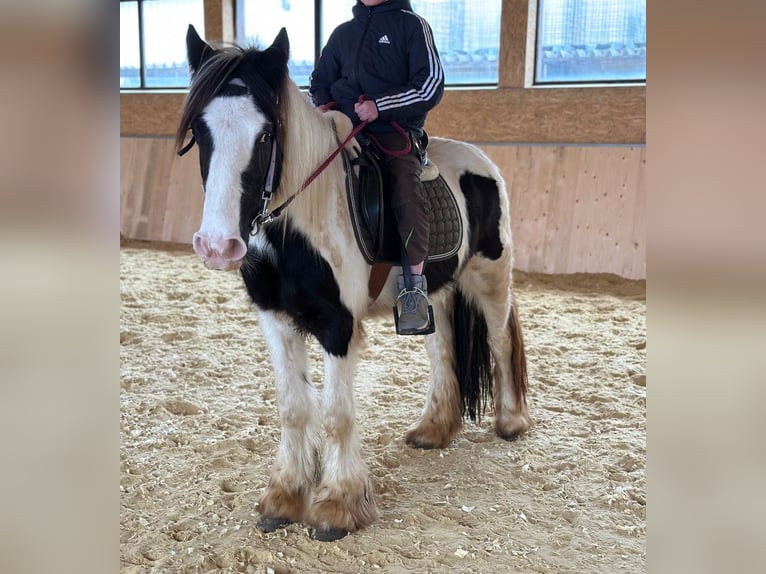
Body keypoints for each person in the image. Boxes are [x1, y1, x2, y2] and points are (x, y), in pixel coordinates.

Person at [309, 0, 444, 335]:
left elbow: (431, 84)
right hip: (338, 131)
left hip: (392, 133)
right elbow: (318, 80)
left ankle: (413, 288)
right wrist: (325, 105)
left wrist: (379, 107)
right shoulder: (342, 33)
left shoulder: (412, 26)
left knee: (404, 191)